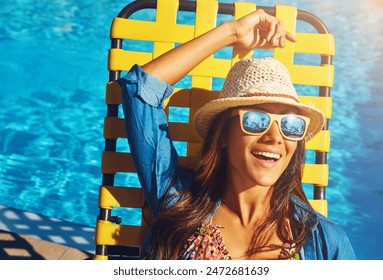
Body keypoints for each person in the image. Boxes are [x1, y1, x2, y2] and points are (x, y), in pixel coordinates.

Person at [118, 9, 355, 260]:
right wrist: (230, 32)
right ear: (222, 135)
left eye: (290, 124)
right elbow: (140, 90)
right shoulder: (178, 200)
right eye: (256, 119)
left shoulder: (325, 241)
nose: (275, 137)